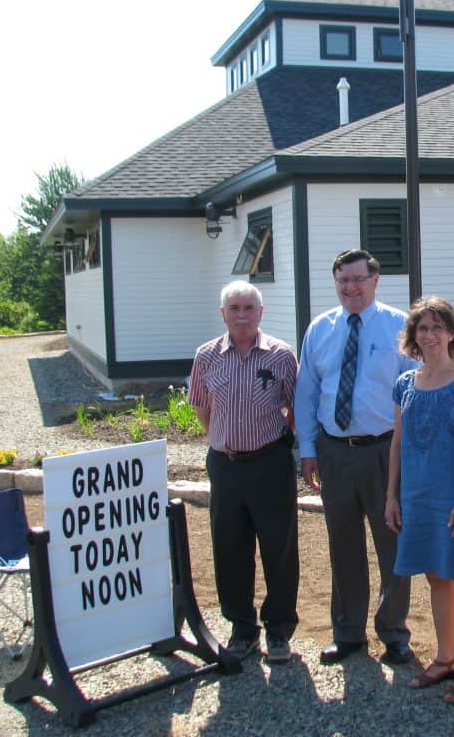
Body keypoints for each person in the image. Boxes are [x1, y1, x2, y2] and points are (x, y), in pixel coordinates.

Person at [294, 249, 417, 666]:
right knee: (343, 546)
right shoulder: (320, 329)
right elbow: (307, 393)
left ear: (375, 279)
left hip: (386, 451)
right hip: (335, 454)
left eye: (358, 279)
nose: (351, 287)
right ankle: (348, 633)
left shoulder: (400, 326)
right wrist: (308, 450)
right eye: (343, 280)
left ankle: (394, 633)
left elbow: (414, 393)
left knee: (393, 546)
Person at [385, 297, 454, 703]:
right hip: (416, 497)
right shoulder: (404, 383)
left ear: (452, 333)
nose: (429, 335)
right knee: (434, 575)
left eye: (437, 327)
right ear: (413, 335)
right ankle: (445, 657)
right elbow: (398, 442)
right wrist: (391, 495)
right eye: (422, 328)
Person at [189, 280, 299, 665]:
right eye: (234, 308)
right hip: (226, 466)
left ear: (261, 312)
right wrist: (223, 439)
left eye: (249, 308)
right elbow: (202, 406)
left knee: (279, 549)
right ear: (223, 314)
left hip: (271, 464)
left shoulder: (282, 356)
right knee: (229, 547)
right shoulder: (206, 357)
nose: (241, 315)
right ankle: (242, 629)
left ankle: (280, 630)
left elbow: (296, 405)